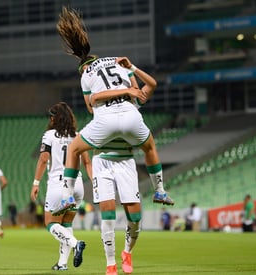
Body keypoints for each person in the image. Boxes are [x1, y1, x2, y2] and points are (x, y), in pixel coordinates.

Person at [54, 6, 174, 215]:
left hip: (107, 125)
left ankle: (67, 196)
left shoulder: (86, 73)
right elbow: (149, 85)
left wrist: (115, 93)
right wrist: (132, 70)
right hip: (132, 120)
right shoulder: (126, 81)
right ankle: (160, 190)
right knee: (150, 148)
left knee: (74, 149)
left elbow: (91, 103)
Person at [89, 55, 161, 274]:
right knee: (107, 214)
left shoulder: (134, 103)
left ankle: (127, 252)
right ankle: (110, 263)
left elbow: (151, 84)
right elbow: (91, 99)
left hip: (126, 161)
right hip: (103, 160)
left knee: (136, 218)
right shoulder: (101, 103)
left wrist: (132, 69)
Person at [30, 102, 92, 270]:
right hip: (77, 183)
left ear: (55, 118)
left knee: (51, 223)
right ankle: (62, 263)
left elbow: (43, 159)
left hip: (59, 183)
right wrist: (94, 182)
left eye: (52, 115)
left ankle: (75, 243)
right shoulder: (78, 135)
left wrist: (36, 183)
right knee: (66, 224)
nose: (50, 118)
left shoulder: (49, 135)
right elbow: (87, 162)